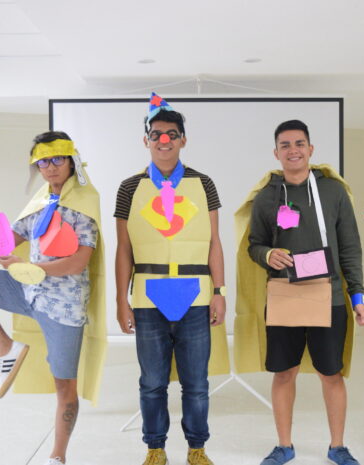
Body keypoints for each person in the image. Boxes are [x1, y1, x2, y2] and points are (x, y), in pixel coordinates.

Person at [0, 131, 106, 465]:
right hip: (28, 291)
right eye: (43, 162)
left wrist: (31, 268)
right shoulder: (41, 202)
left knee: (64, 386)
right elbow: (5, 242)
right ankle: (6, 349)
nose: (50, 167)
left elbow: (78, 262)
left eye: (57, 159)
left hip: (63, 307)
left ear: (71, 161)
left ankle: (57, 456)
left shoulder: (83, 205)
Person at [246, 119, 364, 465]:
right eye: (285, 145)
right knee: (284, 372)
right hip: (284, 295)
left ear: (311, 149)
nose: (293, 150)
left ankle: (337, 447)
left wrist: (358, 296)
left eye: (299, 143)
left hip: (329, 298)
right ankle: (284, 446)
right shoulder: (267, 197)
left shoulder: (333, 192)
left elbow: (350, 247)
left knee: (331, 374)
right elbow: (254, 244)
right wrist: (267, 254)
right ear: (276, 153)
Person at [114, 93, 227, 465]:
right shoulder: (129, 187)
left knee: (196, 382)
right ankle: (155, 447)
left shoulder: (203, 184)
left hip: (195, 294)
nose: (164, 141)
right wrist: (121, 300)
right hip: (148, 296)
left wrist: (220, 291)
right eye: (157, 134)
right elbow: (124, 249)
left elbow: (214, 242)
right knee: (152, 382)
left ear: (183, 139)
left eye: (172, 134)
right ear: (146, 140)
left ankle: (197, 447)